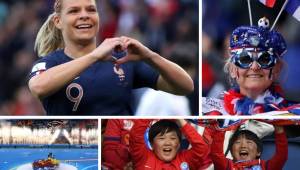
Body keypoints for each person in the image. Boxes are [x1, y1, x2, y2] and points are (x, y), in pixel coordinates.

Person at [27, 0, 193, 115]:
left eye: (91, 9)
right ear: (58, 21)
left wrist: (150, 56)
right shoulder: (50, 63)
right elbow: (38, 87)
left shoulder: (122, 59)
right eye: (74, 11)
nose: (84, 15)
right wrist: (93, 56)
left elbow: (185, 86)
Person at [203, 17, 299, 116]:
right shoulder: (215, 114)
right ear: (232, 69)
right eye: (244, 59)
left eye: (265, 59)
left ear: (277, 69)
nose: (254, 67)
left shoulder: (293, 115)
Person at [129, 119, 209, 170]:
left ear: (179, 144)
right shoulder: (143, 157)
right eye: (161, 138)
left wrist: (180, 120)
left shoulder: (186, 159)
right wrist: (152, 113)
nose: (167, 143)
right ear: (152, 144)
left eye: (173, 138)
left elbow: (201, 147)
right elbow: (135, 136)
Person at [211, 125, 287, 170]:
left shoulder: (265, 167)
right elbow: (216, 154)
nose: (243, 146)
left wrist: (279, 131)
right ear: (231, 152)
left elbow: (281, 156)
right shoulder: (228, 166)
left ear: (258, 152)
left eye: (249, 142)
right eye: (238, 142)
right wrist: (221, 130)